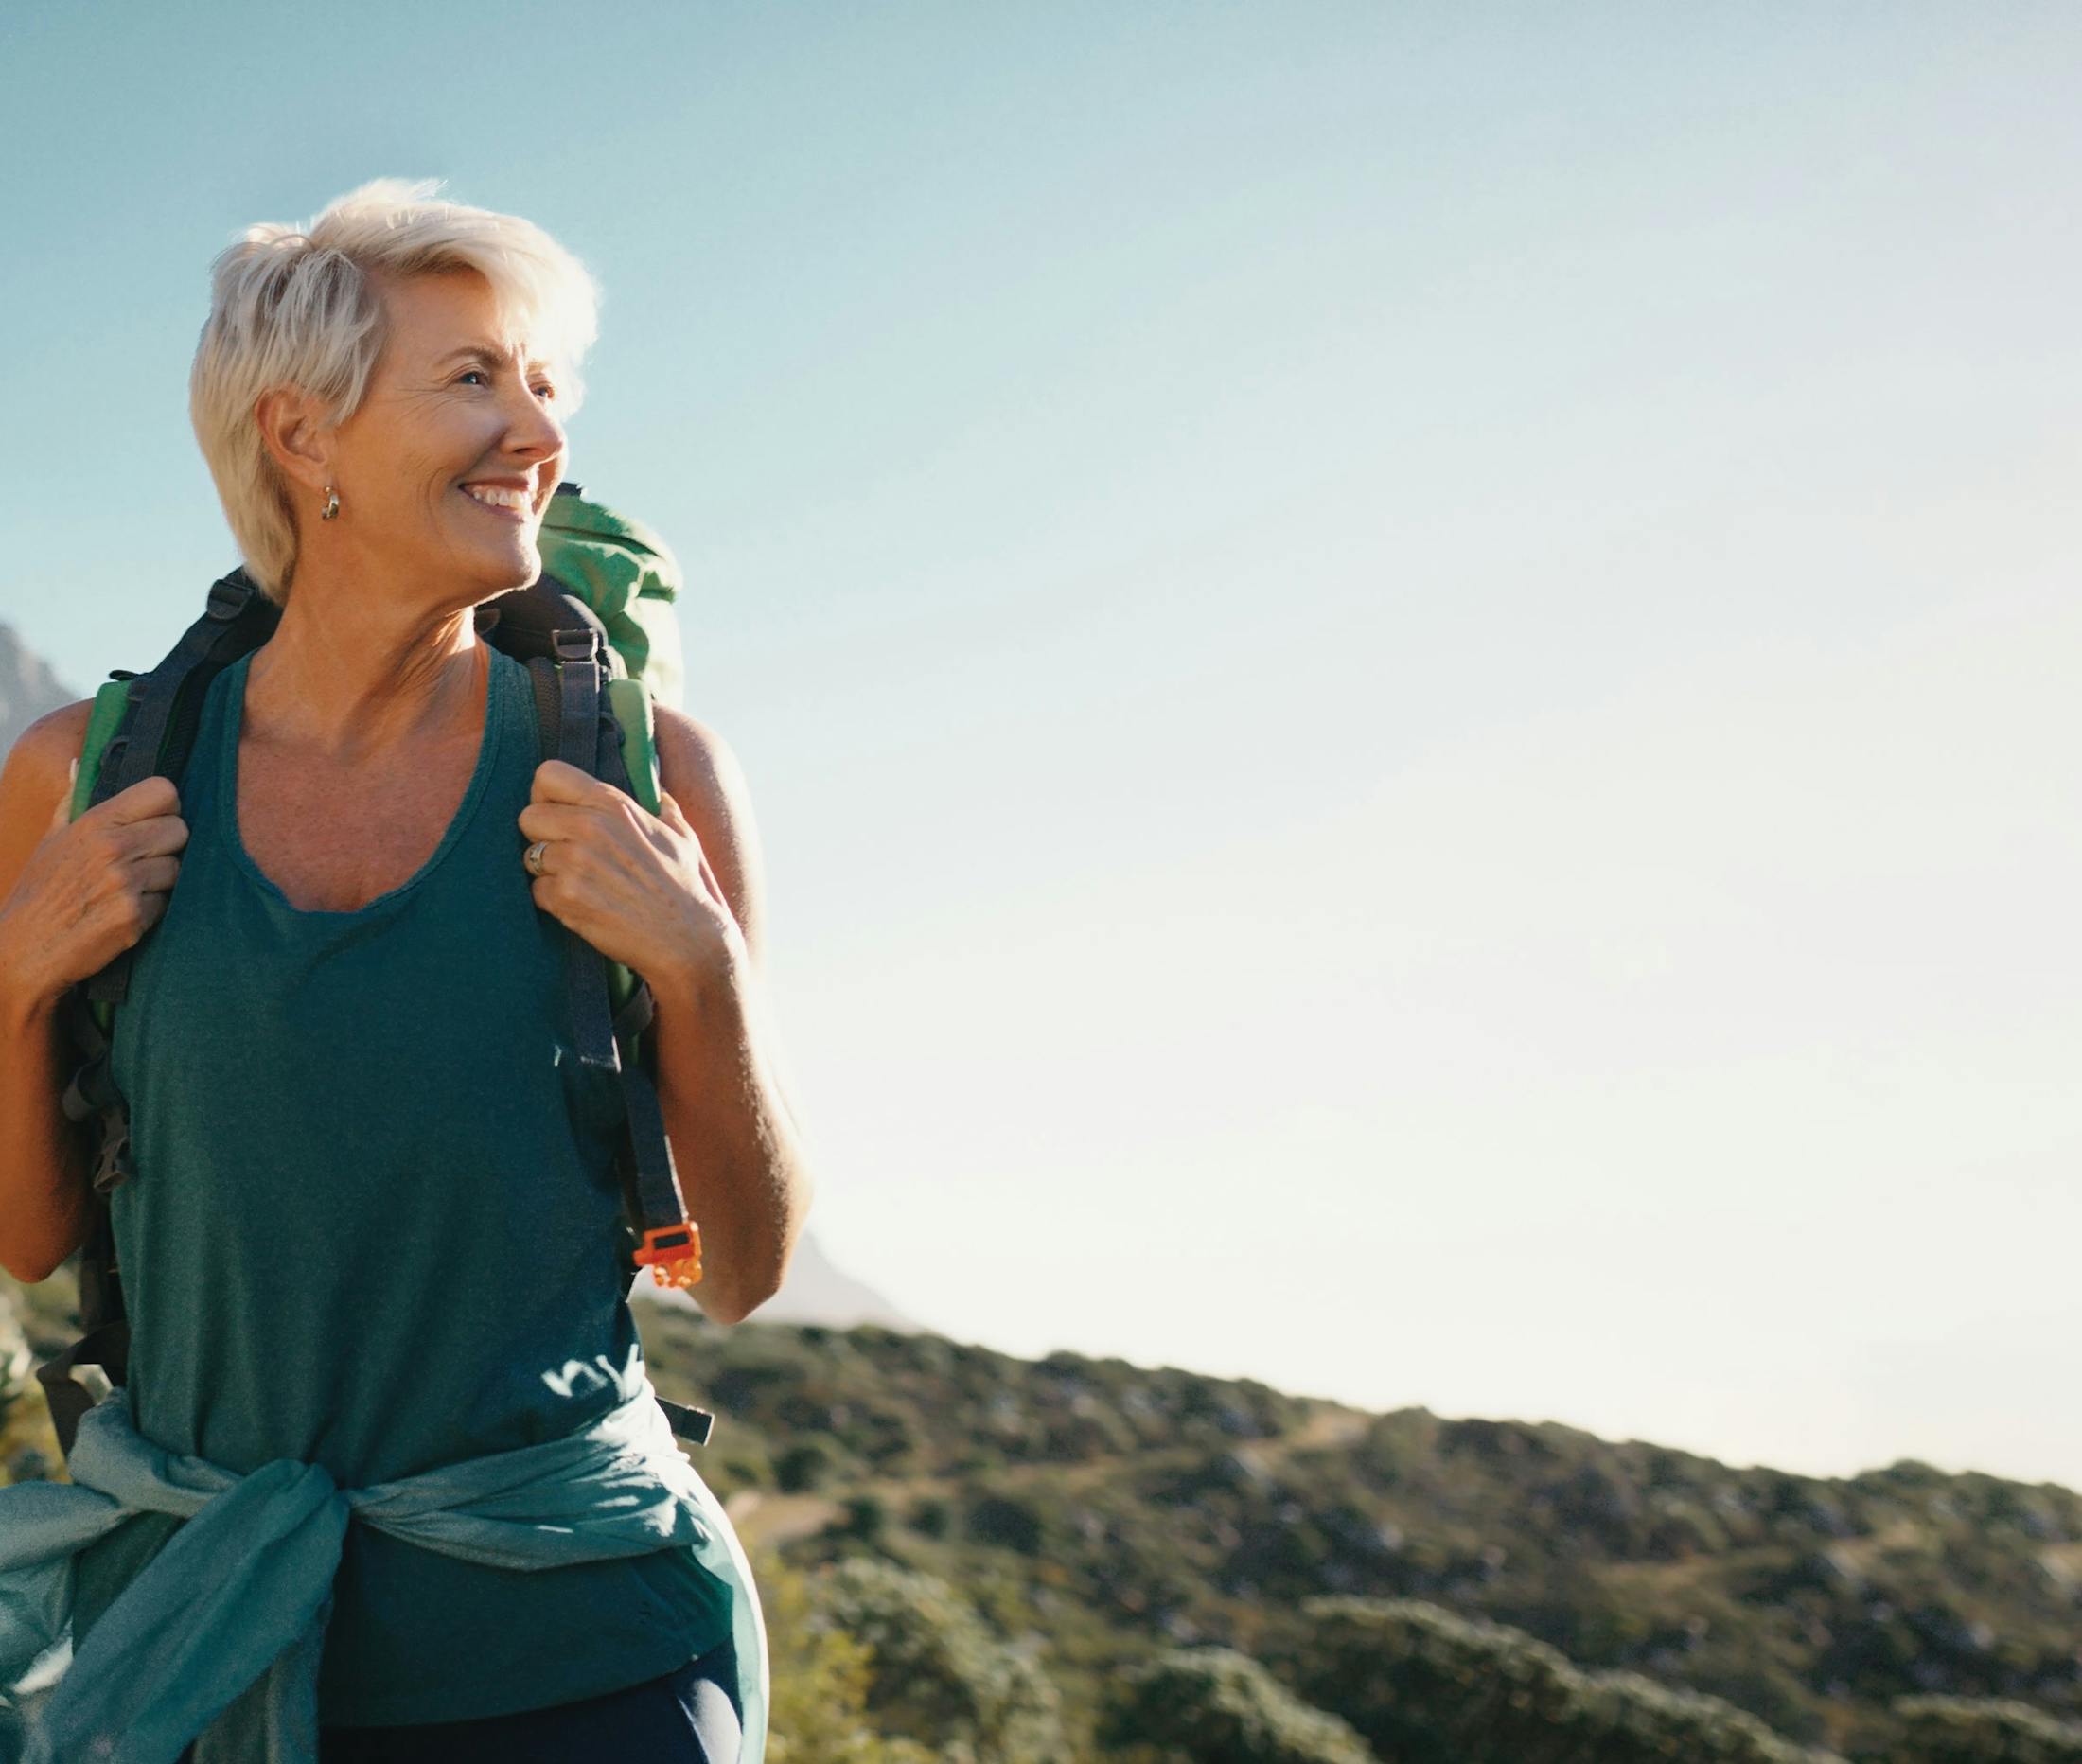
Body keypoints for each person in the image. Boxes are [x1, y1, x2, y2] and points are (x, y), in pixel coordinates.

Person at [0, 178, 814, 1762]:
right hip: (198, 1646)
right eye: (474, 378)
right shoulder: (82, 779)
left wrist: (704, 972)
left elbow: (743, 1268)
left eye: (546, 384)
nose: (539, 431)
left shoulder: (651, 778)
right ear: (302, 436)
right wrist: (13, 982)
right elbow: (30, 1236)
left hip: (582, 1648)